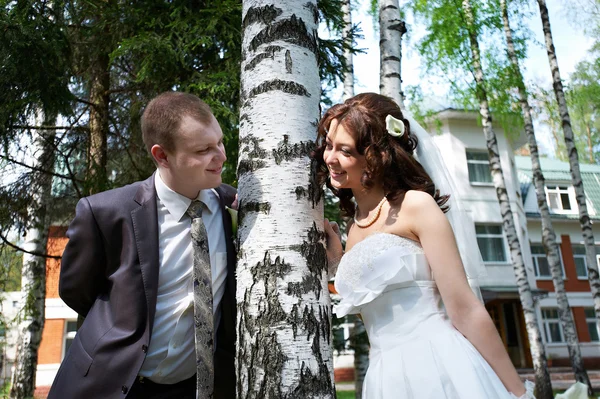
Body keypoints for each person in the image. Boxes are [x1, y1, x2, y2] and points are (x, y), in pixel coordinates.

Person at [315, 93, 534, 399]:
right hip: (384, 377)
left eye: (345, 150)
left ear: (376, 156)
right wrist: (338, 263)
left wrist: (519, 392)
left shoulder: (416, 205)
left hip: (437, 365)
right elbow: (373, 309)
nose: (330, 158)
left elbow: (465, 309)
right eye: (329, 145)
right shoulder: (354, 227)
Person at [48, 92, 237, 399]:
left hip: (195, 389)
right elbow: (76, 291)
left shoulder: (235, 206)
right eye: (204, 150)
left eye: (219, 142)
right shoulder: (106, 213)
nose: (221, 156)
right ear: (162, 155)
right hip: (110, 384)